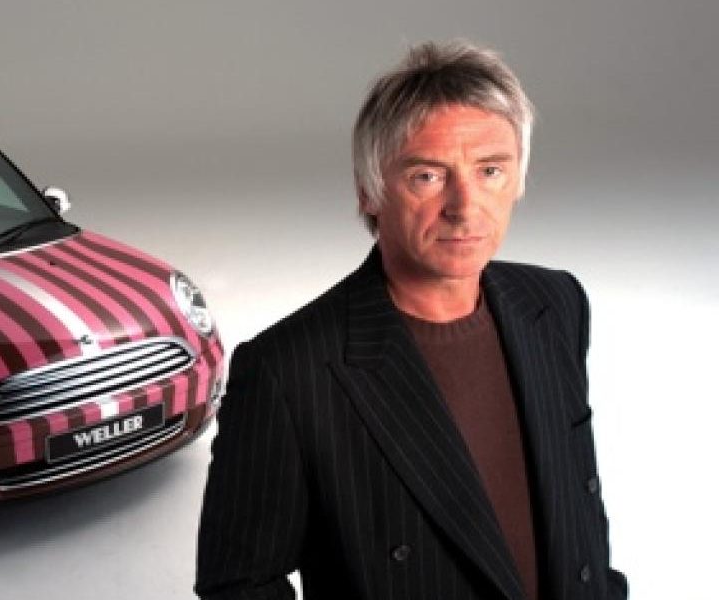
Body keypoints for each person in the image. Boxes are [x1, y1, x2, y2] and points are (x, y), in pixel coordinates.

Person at [195, 40, 627, 600]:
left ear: (518, 179)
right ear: (369, 192)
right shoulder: (289, 370)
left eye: (490, 170)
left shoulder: (556, 304)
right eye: (428, 176)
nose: (465, 207)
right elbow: (239, 584)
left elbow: (579, 513)